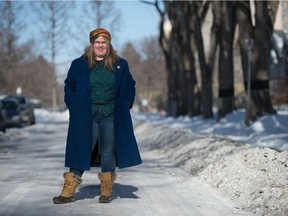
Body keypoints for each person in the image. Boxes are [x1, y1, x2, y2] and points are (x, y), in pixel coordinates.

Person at [53, 28, 142, 204]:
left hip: (111, 114)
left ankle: (106, 191)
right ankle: (68, 190)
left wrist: (127, 102)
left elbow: (130, 84)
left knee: (108, 151)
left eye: (104, 42)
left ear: (109, 45)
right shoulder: (79, 64)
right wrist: (72, 105)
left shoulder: (120, 64)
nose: (101, 45)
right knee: (81, 149)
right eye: (97, 42)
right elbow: (69, 85)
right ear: (92, 44)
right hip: (86, 114)